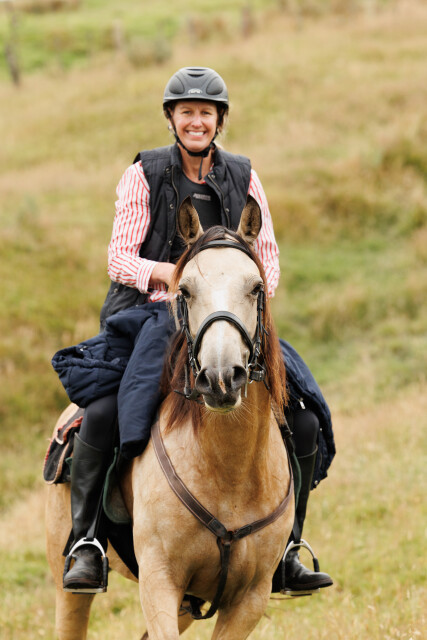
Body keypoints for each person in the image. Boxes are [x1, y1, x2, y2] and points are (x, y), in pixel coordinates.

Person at [58, 66, 334, 595]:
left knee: (303, 417)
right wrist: (174, 276)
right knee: (105, 410)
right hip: (153, 313)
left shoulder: (245, 176)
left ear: (219, 120)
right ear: (171, 118)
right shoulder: (143, 173)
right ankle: (86, 541)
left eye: (206, 113)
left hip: (230, 316)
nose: (196, 121)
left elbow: (269, 259)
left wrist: (236, 291)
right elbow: (119, 258)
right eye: (186, 112)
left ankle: (287, 547)